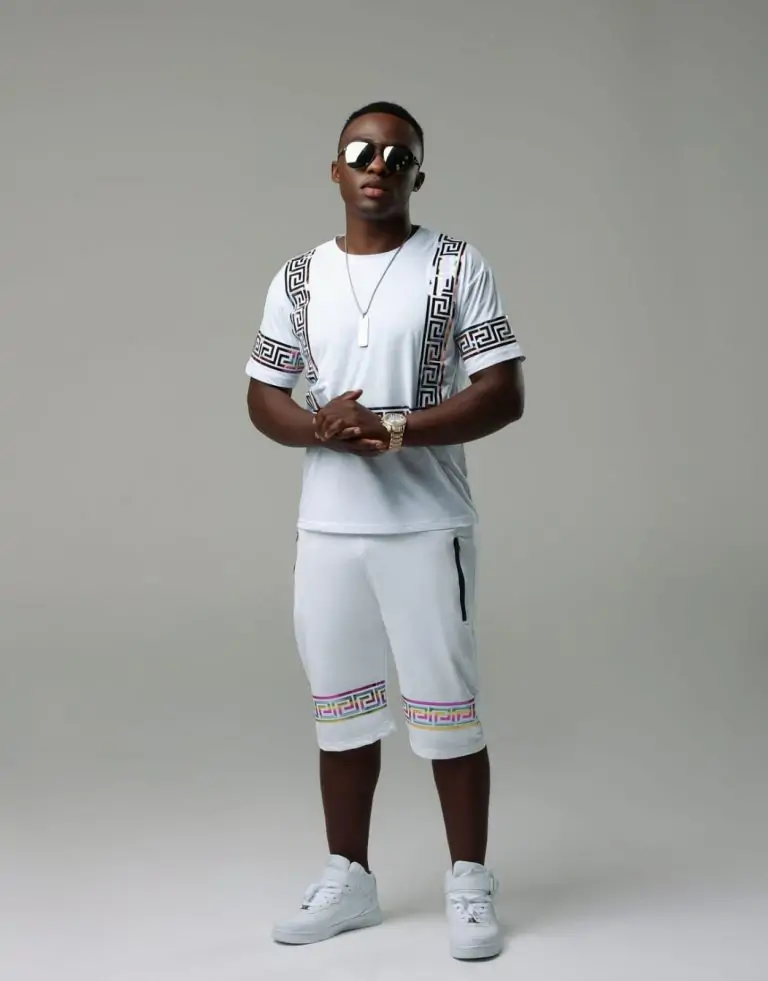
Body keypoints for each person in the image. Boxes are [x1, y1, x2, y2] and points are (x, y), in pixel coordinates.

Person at [244, 101, 525, 961]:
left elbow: (503, 392)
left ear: (417, 176)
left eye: (398, 156)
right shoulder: (299, 277)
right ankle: (350, 878)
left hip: (426, 525)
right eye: (361, 152)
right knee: (341, 712)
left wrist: (395, 426)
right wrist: (319, 426)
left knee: (449, 712)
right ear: (335, 168)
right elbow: (264, 394)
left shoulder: (455, 264)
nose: (378, 166)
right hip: (329, 529)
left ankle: (469, 880)